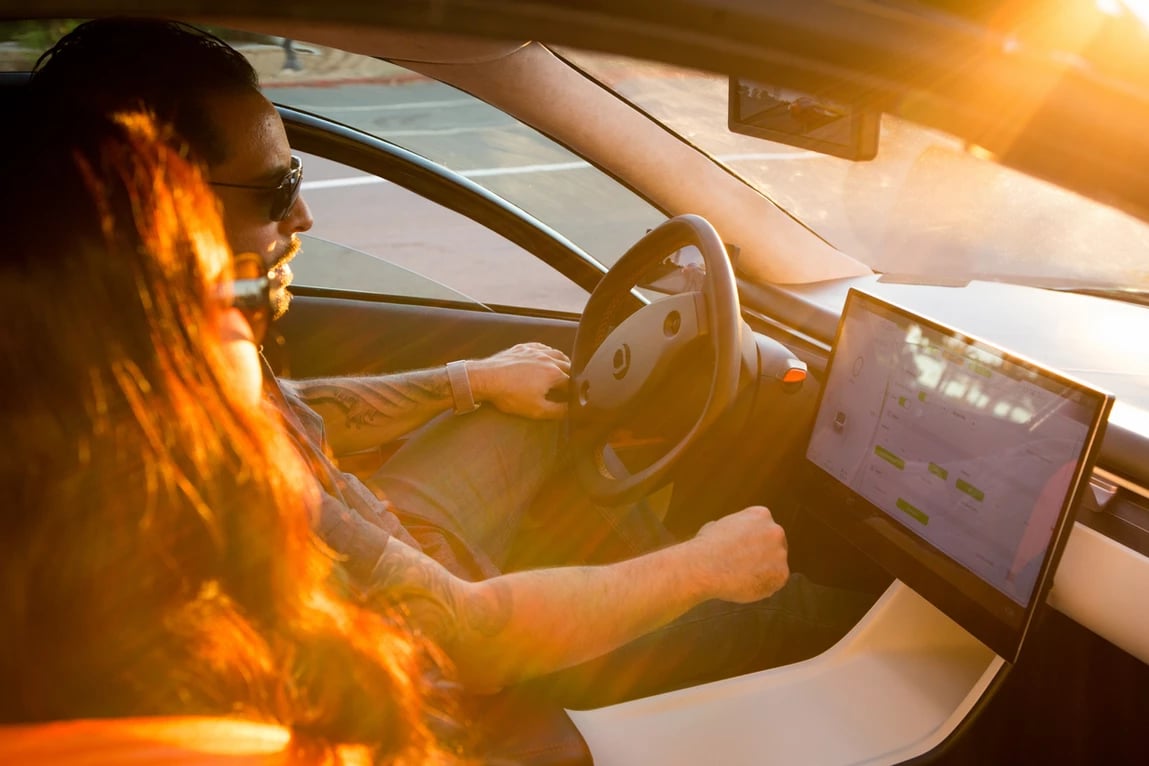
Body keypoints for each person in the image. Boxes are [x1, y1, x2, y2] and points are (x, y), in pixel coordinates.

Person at [29, 17, 873, 707]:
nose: (308, 219)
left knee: (548, 410)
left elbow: (300, 398)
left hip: (387, 538)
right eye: (278, 191)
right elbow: (467, 636)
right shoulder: (182, 452)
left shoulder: (127, 361)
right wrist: (701, 568)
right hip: (419, 659)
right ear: (151, 214)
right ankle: (834, 631)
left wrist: (464, 381)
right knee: (748, 606)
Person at [0, 107, 470, 762]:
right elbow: (467, 626)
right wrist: (672, 577)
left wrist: (465, 383)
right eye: (228, 289)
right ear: (144, 346)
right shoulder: (221, 720)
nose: (251, 330)